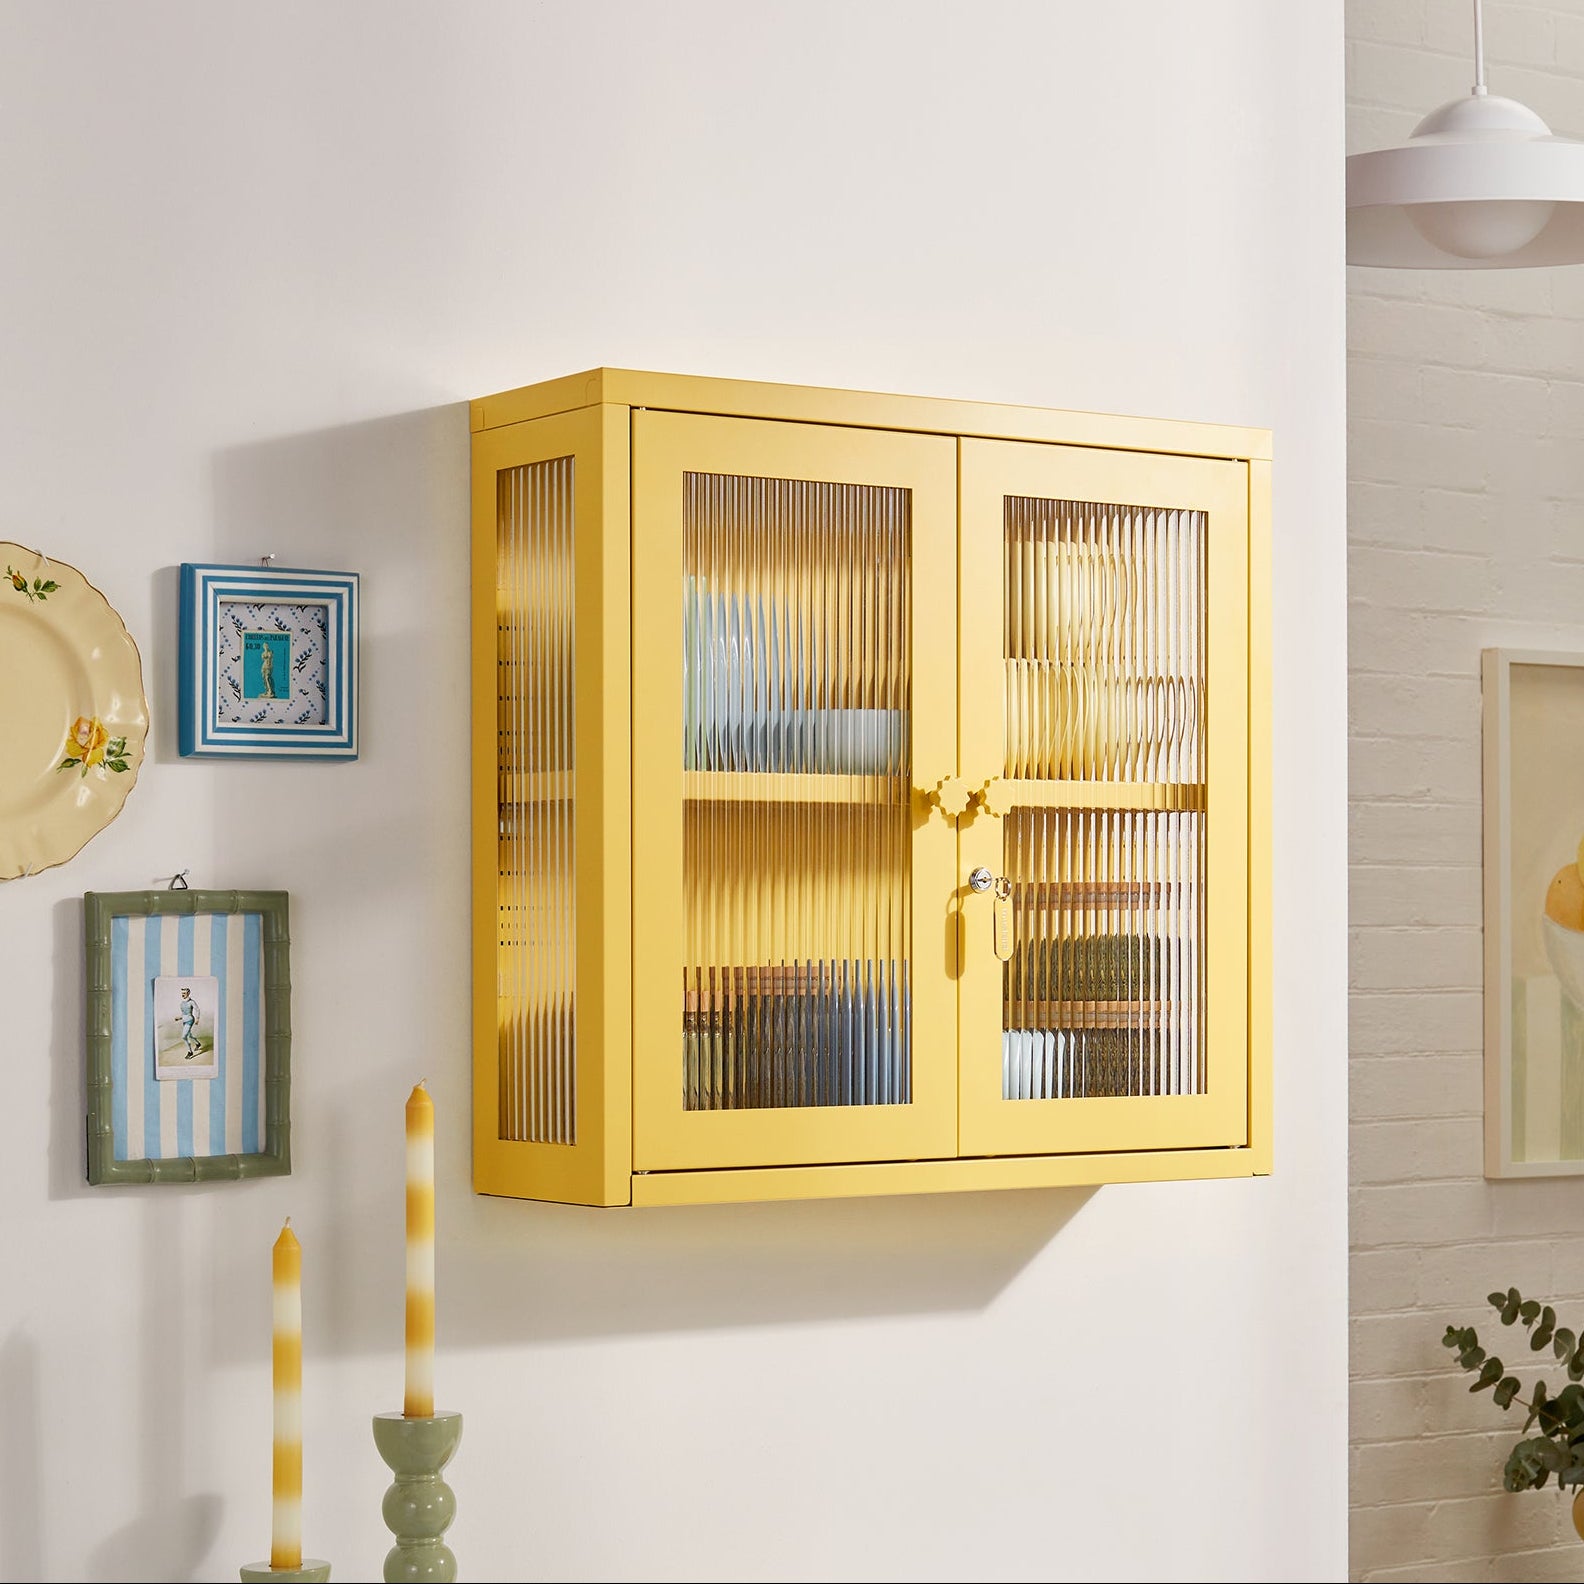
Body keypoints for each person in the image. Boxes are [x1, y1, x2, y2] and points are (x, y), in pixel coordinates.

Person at [176, 987, 200, 1057]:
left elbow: (197, 1009)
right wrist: (179, 1018)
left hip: (190, 1020)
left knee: (184, 1036)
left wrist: (197, 1018)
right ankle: (198, 1044)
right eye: (182, 993)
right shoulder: (182, 1003)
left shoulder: (191, 1002)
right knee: (189, 1035)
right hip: (184, 1021)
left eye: (184, 993)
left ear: (188, 993)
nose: (183, 995)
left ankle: (190, 1052)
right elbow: (184, 1014)